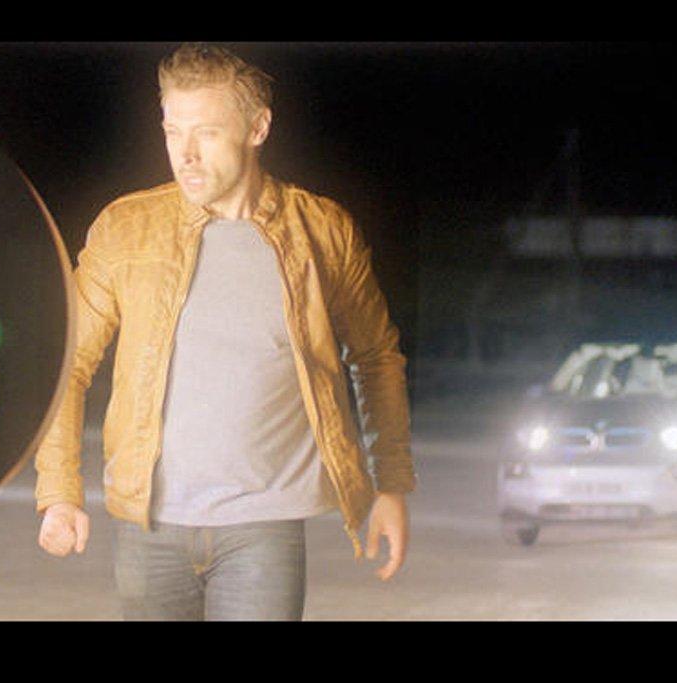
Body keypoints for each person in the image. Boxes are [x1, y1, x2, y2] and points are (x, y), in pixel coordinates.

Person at [34, 43, 416, 621]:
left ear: (258, 128)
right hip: (149, 527)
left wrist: (391, 485)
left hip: (263, 529)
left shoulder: (321, 232)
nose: (185, 154)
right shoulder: (126, 230)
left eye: (207, 133)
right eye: (172, 132)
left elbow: (377, 356)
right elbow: (68, 361)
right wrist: (59, 492)